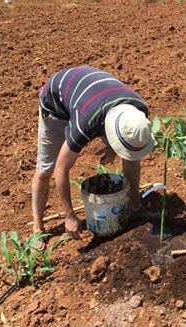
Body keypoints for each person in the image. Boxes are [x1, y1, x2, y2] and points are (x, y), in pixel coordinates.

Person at [32, 66, 155, 240]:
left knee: (131, 152)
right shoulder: (86, 123)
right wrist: (70, 215)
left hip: (93, 95)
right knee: (45, 170)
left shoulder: (139, 113)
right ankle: (37, 228)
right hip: (56, 102)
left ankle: (135, 206)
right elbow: (61, 168)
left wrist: (114, 148)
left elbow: (125, 136)